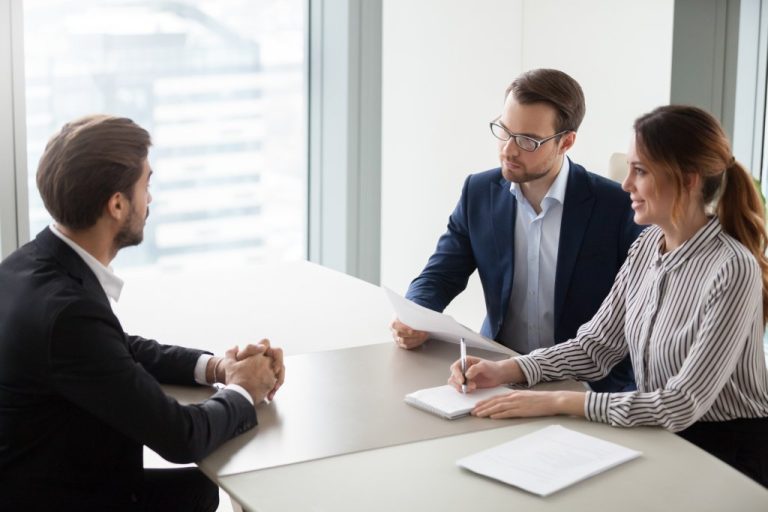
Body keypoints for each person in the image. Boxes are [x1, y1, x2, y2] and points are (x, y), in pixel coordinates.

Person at [448, 105, 768, 487]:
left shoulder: (732, 268)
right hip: (658, 435)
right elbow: (596, 347)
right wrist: (509, 370)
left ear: (688, 180)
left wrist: (559, 402)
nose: (626, 185)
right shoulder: (648, 246)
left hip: (727, 455)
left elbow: (681, 403)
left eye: (641, 171)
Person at [0, 115, 286, 511]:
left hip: (43, 476)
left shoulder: (27, 264)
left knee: (201, 490)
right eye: (146, 184)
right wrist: (245, 390)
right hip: (64, 496)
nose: (149, 198)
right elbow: (181, 437)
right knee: (212, 485)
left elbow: (115, 349)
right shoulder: (69, 316)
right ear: (117, 204)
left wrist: (219, 368)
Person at [391, 68, 643, 392]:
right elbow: (440, 275)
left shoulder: (617, 208)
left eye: (527, 140)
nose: (508, 150)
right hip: (497, 372)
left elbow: (632, 321)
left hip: (583, 385)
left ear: (566, 142)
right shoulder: (479, 192)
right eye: (504, 131)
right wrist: (417, 316)